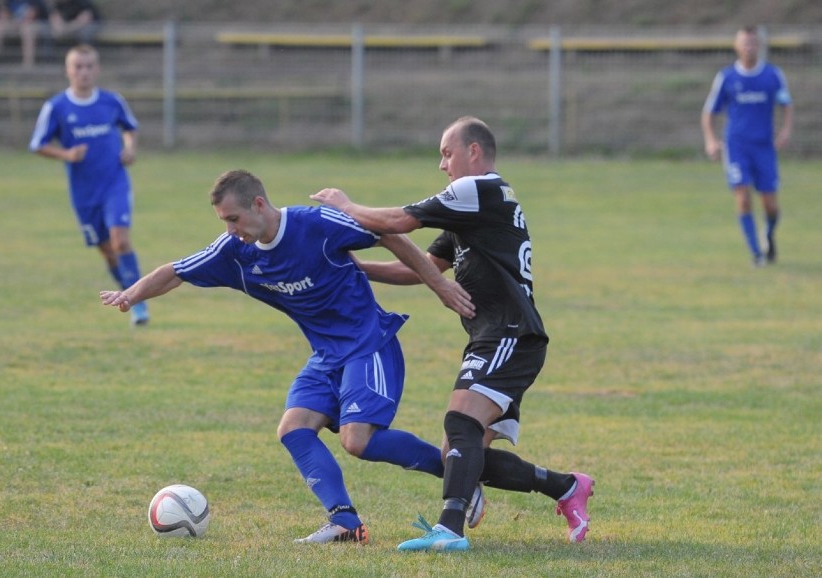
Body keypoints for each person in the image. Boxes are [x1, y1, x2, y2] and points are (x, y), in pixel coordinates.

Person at [99, 169, 483, 544]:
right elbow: (176, 271)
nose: (231, 229)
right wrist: (131, 295)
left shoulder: (315, 224)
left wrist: (439, 287)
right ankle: (344, 522)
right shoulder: (235, 252)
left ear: (260, 204)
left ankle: (460, 477)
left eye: (234, 218)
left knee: (357, 442)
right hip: (326, 356)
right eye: (223, 221)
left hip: (369, 342)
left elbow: (387, 235)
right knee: (294, 429)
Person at [312, 116, 595, 551]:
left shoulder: (477, 190)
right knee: (459, 455)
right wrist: (355, 269)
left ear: (474, 152)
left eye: (447, 153)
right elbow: (421, 269)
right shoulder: (474, 209)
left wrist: (346, 207)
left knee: (460, 421)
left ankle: (449, 528)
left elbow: (398, 221)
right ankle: (567, 487)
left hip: (509, 332)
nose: (442, 165)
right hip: (498, 334)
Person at [30, 44, 149, 325]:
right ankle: (126, 294)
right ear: (68, 70)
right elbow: (37, 144)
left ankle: (138, 303)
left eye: (89, 66)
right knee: (107, 250)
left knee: (120, 242)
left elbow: (129, 127)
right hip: (84, 192)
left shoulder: (112, 101)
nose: (83, 72)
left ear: (97, 69)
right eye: (78, 66)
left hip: (114, 182)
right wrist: (66, 154)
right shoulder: (56, 107)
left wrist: (130, 148)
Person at [701, 25, 794, 267]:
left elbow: (786, 104)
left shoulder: (772, 76)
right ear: (736, 45)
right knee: (742, 198)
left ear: (759, 46)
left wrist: (785, 130)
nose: (749, 47)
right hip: (736, 146)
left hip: (764, 147)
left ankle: (768, 234)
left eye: (753, 43)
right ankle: (756, 254)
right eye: (744, 43)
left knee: (770, 204)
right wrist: (711, 140)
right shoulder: (727, 77)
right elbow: (709, 112)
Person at [0, 0, 48, 68]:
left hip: (34, 24)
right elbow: (3, 14)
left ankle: (28, 65)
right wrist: (11, 20)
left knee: (27, 30)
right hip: (16, 23)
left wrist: (17, 22)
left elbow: (31, 16)